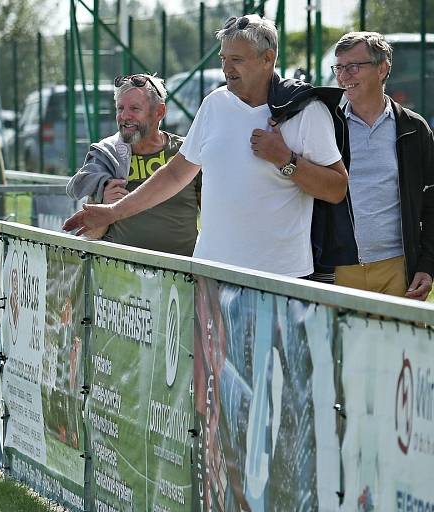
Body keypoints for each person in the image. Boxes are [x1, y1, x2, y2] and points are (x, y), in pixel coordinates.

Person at [63, 15, 348, 278]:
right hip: (210, 275)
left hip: (279, 281)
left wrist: (285, 160)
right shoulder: (215, 103)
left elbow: (337, 188)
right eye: (224, 58)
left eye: (237, 59)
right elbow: (175, 174)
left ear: (268, 58)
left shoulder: (305, 110)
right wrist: (113, 212)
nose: (226, 68)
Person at [327, 31, 434, 299]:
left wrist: (427, 265)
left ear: (382, 68)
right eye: (339, 68)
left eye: (353, 67)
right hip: (339, 270)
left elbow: (432, 202)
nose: (344, 76)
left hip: (398, 269)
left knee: (400, 343)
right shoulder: (327, 127)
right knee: (341, 344)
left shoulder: (414, 128)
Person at [65, 73, 200, 255]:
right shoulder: (108, 157)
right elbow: (91, 235)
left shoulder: (185, 154)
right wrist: (105, 203)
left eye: (135, 108)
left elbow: (213, 216)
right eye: (120, 108)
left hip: (182, 275)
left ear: (159, 112)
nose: (125, 116)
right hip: (122, 276)